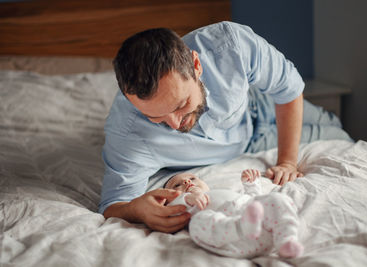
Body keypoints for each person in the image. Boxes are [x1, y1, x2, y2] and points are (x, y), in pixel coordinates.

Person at [99, 21, 351, 233]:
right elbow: (113, 204)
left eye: (180, 105)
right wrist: (135, 210)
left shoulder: (230, 45)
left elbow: (288, 89)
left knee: (334, 123)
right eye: (156, 118)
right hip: (252, 143)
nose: (175, 124)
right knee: (340, 137)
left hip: (259, 104)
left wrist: (287, 161)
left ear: (196, 66)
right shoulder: (126, 130)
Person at [164, 169, 304, 258]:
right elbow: (171, 211)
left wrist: (251, 184)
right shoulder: (185, 205)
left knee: (276, 199)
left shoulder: (221, 192)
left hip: (265, 233)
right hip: (233, 239)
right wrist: (188, 199)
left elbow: (254, 201)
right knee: (197, 223)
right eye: (177, 185)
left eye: (193, 178)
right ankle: (242, 225)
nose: (187, 181)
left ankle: (287, 240)